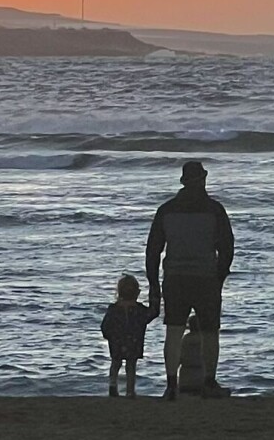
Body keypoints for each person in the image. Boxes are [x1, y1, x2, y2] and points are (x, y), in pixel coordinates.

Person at [146, 161, 234, 400]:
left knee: (173, 332)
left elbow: (153, 251)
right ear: (203, 180)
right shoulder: (215, 210)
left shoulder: (167, 210)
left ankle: (171, 385)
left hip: (175, 278)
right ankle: (209, 382)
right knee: (209, 332)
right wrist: (220, 276)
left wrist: (154, 285)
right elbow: (227, 248)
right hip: (206, 278)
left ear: (183, 182)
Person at [100, 274, 159, 397]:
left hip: (116, 341)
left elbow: (105, 326)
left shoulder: (113, 309)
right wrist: (155, 294)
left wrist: (108, 336)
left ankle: (112, 386)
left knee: (115, 363)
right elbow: (153, 312)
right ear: (137, 292)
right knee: (131, 366)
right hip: (134, 342)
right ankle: (130, 391)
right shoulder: (140, 310)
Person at [178, 315, 204, 394]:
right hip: (200, 376)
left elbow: (179, 359)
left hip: (185, 378)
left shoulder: (185, 339)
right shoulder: (203, 339)